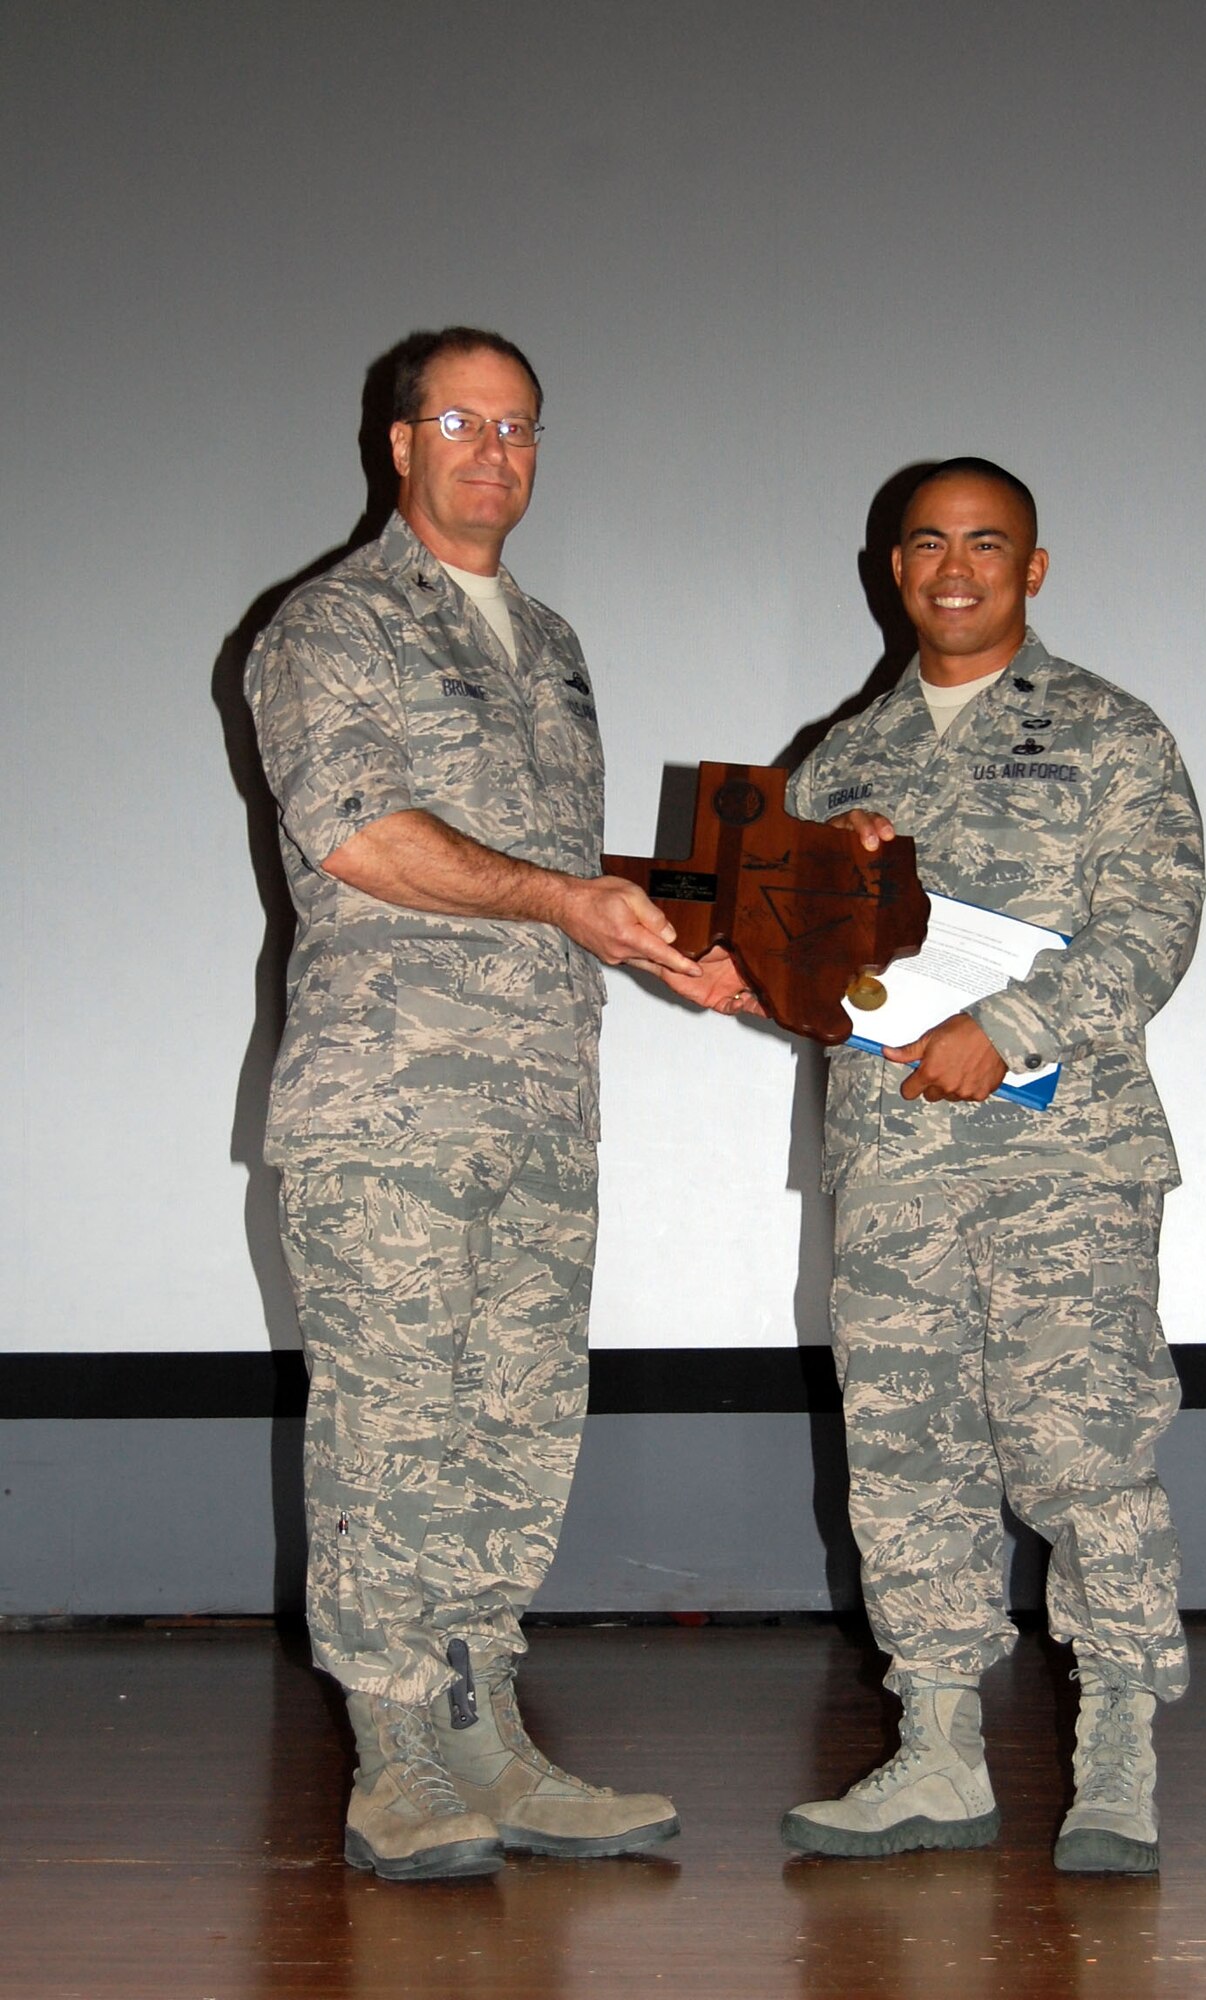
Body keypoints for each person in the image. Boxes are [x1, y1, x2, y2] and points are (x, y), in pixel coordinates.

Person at [245, 326, 733, 1880]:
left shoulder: (552, 639)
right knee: (392, 1428)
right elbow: (364, 839)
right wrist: (564, 901)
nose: (495, 452)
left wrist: (677, 946)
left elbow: (560, 886)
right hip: (389, 1102)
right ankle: (394, 1754)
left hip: (539, 1103)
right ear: (399, 443)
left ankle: (489, 1737)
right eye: (463, 422)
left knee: (518, 1424)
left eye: (522, 429)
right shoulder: (331, 624)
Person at [778, 458, 1205, 1874]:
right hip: (896, 1162)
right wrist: (810, 902)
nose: (953, 568)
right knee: (905, 1460)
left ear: (1034, 566)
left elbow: (1153, 928)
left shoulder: (1110, 734)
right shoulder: (837, 763)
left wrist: (1008, 1026)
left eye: (986, 543)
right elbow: (793, 968)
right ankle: (940, 1749)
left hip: (1060, 1160)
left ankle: (1119, 1752)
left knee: (1085, 1453)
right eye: (925, 545)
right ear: (890, 568)